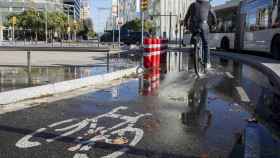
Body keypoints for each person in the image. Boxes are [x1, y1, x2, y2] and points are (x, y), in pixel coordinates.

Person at [184, 0, 217, 69]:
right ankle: (207, 62)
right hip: (203, 25)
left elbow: (187, 16)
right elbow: (213, 15)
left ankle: (193, 48)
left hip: (193, 26)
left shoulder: (192, 5)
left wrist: (186, 25)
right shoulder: (208, 4)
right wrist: (214, 24)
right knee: (206, 43)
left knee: (193, 37)